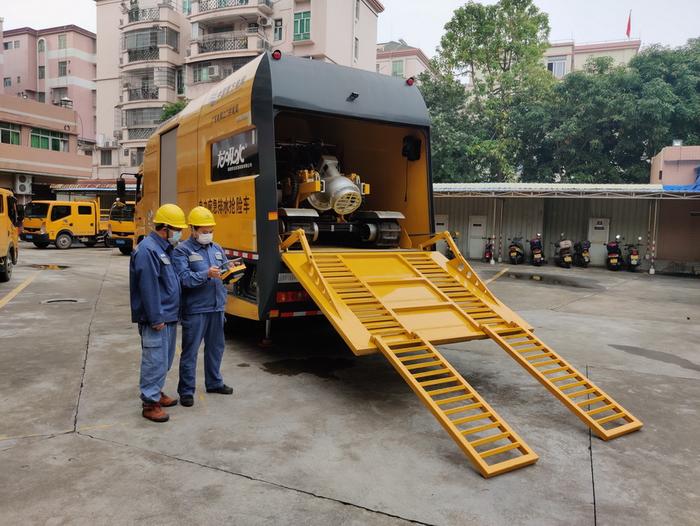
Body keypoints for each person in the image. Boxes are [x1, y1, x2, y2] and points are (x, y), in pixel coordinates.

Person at [129, 203, 188, 423]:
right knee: (154, 359)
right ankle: (150, 402)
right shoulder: (148, 250)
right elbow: (148, 287)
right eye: (177, 229)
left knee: (164, 359)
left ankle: (157, 391)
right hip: (158, 318)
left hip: (168, 316)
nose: (179, 234)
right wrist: (155, 317)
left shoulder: (164, 249)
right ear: (165, 228)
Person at [172, 206, 233, 407]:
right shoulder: (182, 250)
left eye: (210, 231)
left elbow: (223, 271)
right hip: (196, 309)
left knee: (216, 348)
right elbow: (184, 280)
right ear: (193, 230)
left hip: (216, 307)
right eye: (204, 231)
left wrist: (231, 272)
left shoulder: (217, 248)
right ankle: (186, 391)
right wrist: (205, 274)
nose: (208, 235)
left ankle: (214, 382)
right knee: (190, 351)